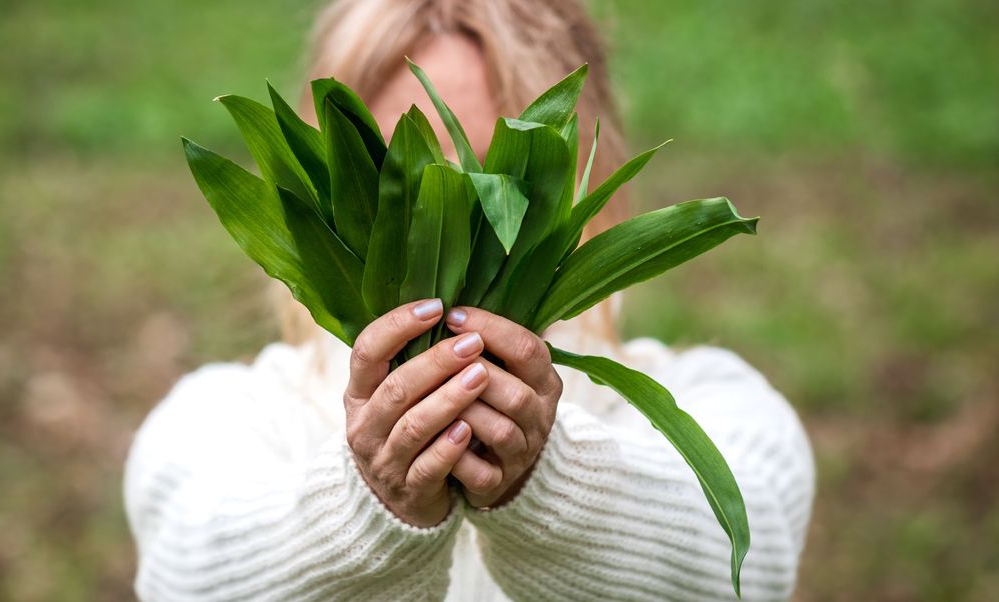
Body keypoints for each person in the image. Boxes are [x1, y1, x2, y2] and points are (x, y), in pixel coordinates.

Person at [123, 0, 816, 600]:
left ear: (593, 187)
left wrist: (547, 481)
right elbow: (187, 566)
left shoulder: (712, 402)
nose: (447, 240)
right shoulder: (223, 421)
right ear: (318, 191)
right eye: (401, 186)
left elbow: (752, 560)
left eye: (498, 183)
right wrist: (364, 502)